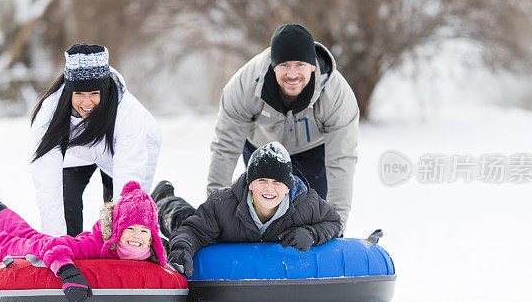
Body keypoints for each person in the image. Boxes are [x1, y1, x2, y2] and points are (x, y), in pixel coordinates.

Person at [0, 181, 166, 302]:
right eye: (129, 228)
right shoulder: (96, 243)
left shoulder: (152, 251)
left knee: (28, 234)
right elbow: (56, 250)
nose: (136, 236)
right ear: (116, 229)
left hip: (46, 243)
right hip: (47, 254)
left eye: (144, 231)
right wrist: (68, 272)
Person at [207, 24, 358, 231]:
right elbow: (225, 148)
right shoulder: (244, 86)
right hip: (262, 149)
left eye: (300, 65)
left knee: (312, 217)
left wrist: (335, 226)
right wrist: (215, 214)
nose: (292, 74)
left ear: (313, 65)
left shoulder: (336, 95)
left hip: (313, 152)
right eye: (284, 65)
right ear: (273, 65)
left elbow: (342, 160)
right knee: (261, 215)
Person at [153, 142, 343, 277]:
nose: (269, 188)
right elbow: (193, 230)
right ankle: (164, 198)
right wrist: (182, 248)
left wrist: (311, 233)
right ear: (250, 184)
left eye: (277, 182)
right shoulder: (223, 203)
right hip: (219, 233)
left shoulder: (306, 203)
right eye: (262, 181)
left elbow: (334, 222)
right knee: (182, 220)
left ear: (288, 187)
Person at [30, 43, 161, 237]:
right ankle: (71, 246)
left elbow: (129, 176)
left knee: (118, 209)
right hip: (75, 153)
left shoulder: (127, 113)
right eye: (79, 94)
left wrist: (123, 238)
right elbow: (47, 181)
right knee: (67, 202)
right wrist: (57, 244)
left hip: (118, 153)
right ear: (69, 92)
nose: (86, 102)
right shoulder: (50, 112)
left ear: (105, 91)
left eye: (94, 94)